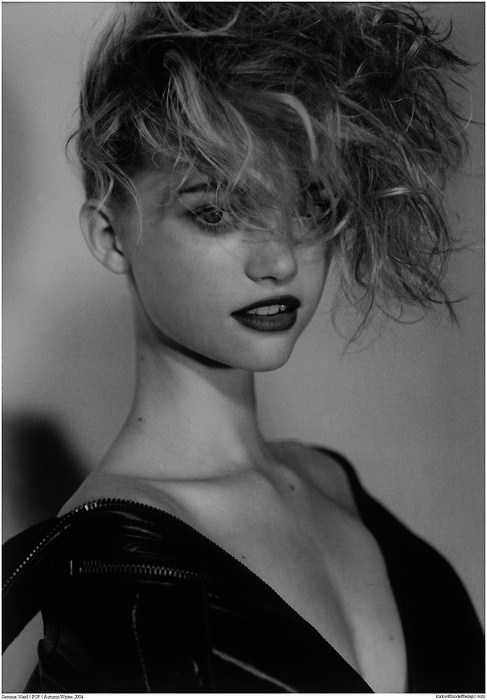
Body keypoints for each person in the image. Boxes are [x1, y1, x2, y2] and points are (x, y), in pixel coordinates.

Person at [3, 2, 483, 693]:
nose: (279, 260)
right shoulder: (115, 581)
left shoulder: (331, 479)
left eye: (311, 204)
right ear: (111, 235)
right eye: (216, 211)